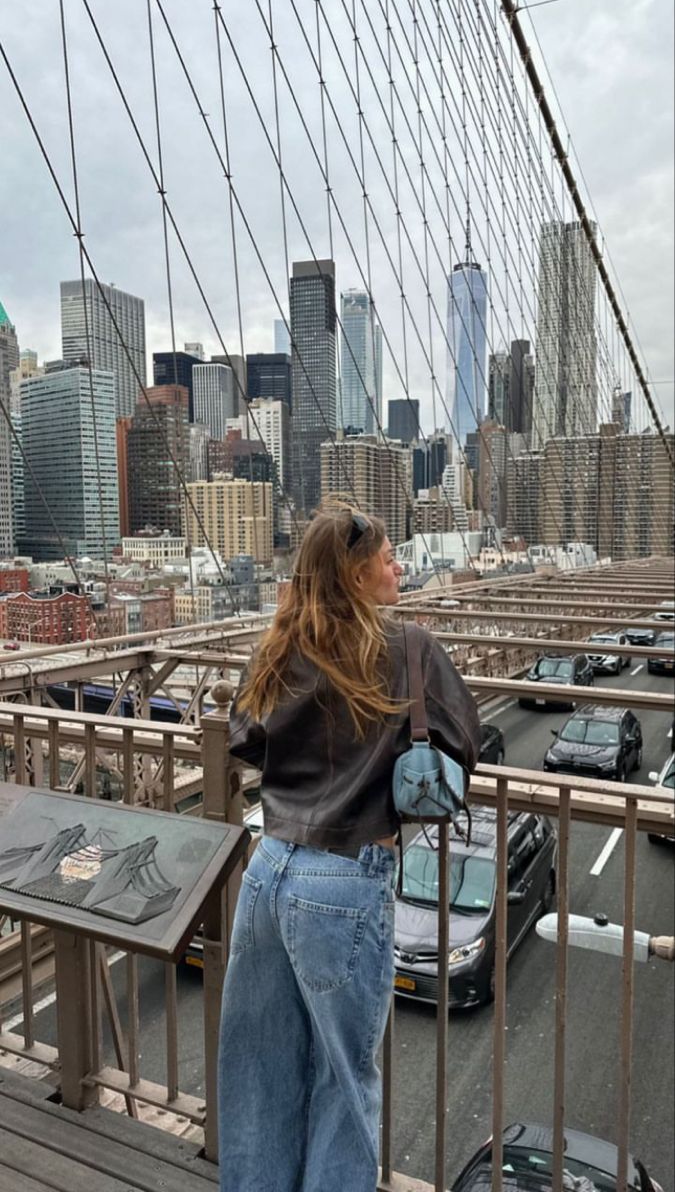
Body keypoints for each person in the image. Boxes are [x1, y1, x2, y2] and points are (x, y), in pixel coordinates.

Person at [217, 502, 481, 1192]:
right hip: (346, 875)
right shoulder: (409, 648)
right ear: (357, 576)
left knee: (259, 1067)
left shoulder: (280, 645)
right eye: (387, 558)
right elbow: (462, 746)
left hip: (270, 863)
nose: (398, 566)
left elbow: (243, 737)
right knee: (342, 1080)